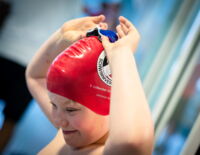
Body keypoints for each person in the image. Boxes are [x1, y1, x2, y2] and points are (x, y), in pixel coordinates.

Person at [26, 15, 154, 155]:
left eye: (71, 110)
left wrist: (122, 53)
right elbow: (35, 77)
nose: (58, 121)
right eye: (54, 105)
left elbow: (132, 142)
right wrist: (61, 36)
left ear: (107, 103)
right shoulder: (67, 134)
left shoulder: (105, 152)